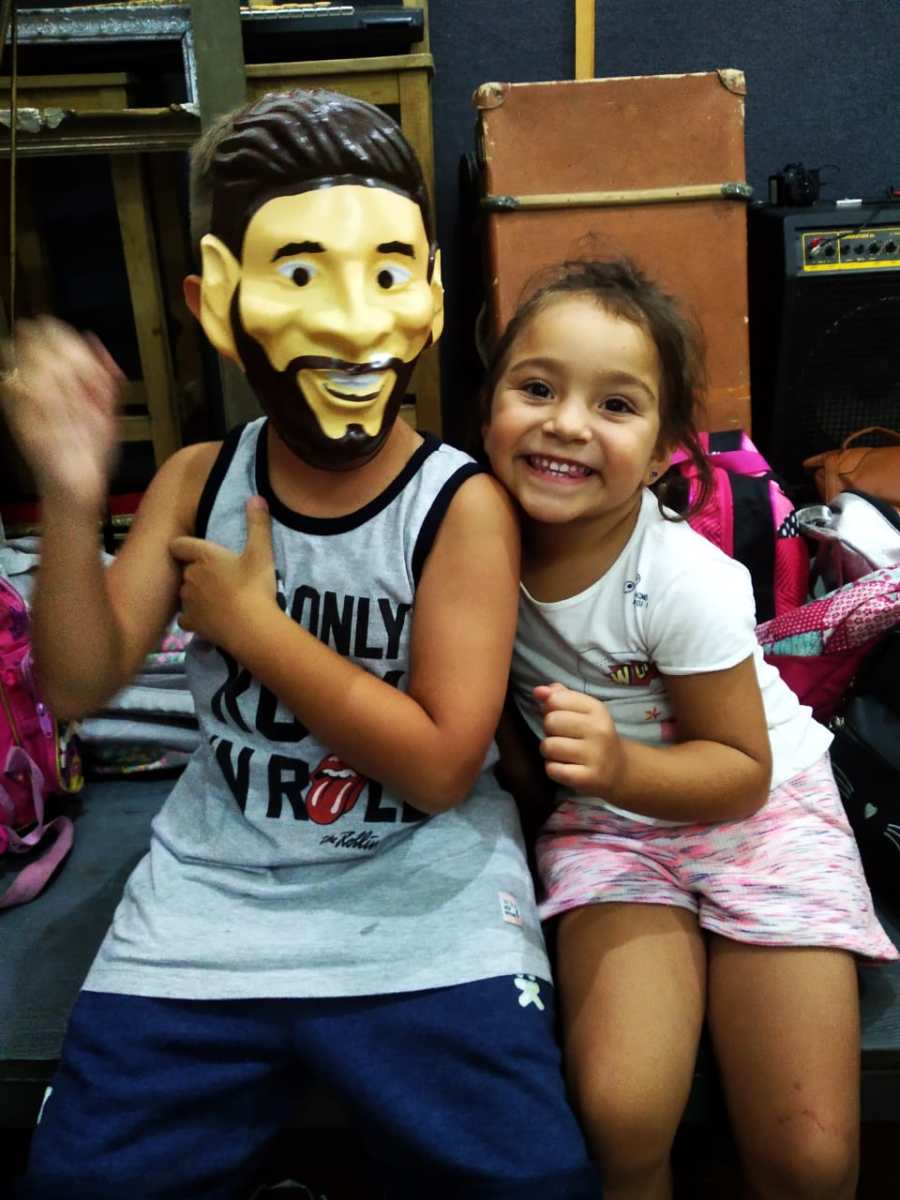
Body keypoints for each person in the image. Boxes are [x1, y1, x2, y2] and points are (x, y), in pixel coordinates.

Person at [1, 91, 599, 1199]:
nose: (354, 326)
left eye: (387, 274)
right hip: (214, 898)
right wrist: (72, 496)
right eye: (301, 273)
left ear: (430, 294)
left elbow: (439, 768)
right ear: (216, 299)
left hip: (426, 899)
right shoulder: (197, 480)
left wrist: (256, 632)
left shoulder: (459, 506)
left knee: (531, 1182)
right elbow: (78, 684)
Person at [480, 256, 898, 1200]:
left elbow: (742, 771)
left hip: (762, 814)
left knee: (809, 1160)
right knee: (620, 1115)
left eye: (615, 405)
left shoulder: (681, 580)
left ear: (667, 447)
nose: (567, 423)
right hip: (613, 831)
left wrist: (617, 766)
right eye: (537, 388)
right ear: (490, 404)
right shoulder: (472, 542)